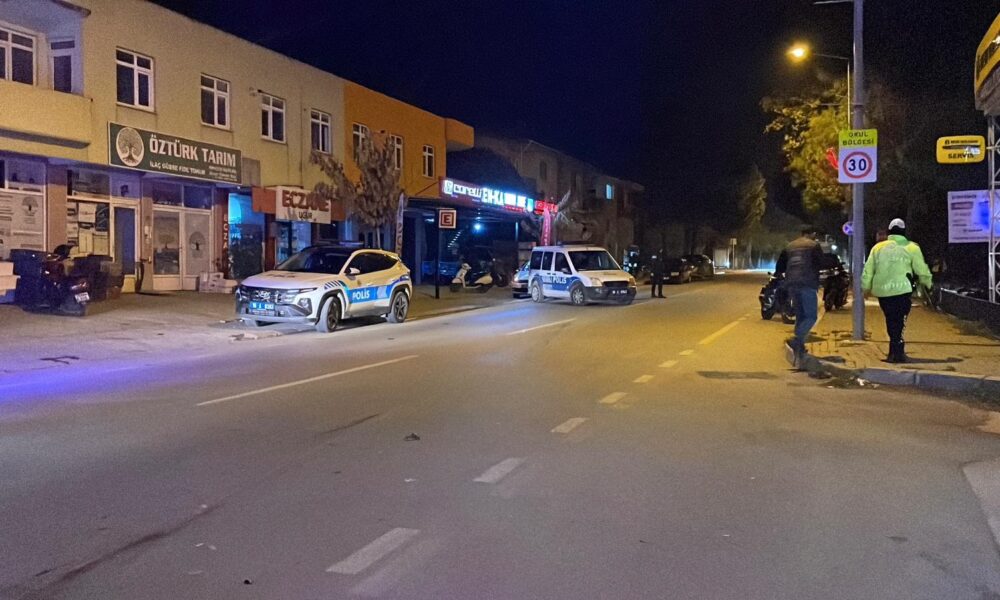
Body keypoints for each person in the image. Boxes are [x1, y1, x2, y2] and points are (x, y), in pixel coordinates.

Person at [861, 218, 932, 363]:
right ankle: (897, 353)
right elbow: (921, 269)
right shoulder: (912, 247)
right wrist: (928, 284)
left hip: (883, 292)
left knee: (891, 319)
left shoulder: (877, 248)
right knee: (899, 321)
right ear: (904, 231)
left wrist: (866, 288)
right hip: (903, 290)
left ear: (889, 232)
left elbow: (868, 270)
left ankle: (894, 352)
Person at [775, 225, 824, 367]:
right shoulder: (814, 246)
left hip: (791, 284)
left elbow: (780, 266)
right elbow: (820, 263)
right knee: (811, 316)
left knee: (801, 316)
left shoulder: (790, 246)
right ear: (812, 234)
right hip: (807, 283)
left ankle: (799, 350)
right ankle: (797, 340)